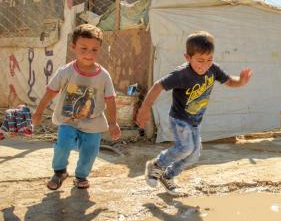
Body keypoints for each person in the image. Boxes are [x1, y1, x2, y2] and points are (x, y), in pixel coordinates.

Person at [136, 31, 252, 196]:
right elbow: (157, 86)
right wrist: (145, 109)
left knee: (193, 156)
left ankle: (168, 176)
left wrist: (240, 81)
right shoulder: (181, 74)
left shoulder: (213, 70)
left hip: (195, 121)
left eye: (209, 59)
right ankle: (156, 165)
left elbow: (229, 82)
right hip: (180, 119)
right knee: (185, 148)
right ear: (187, 57)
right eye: (200, 60)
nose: (205, 65)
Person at [32, 24, 121, 190]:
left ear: (99, 49)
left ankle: (81, 176)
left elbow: (110, 99)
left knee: (90, 151)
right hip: (68, 120)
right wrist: (38, 112)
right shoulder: (66, 72)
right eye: (84, 48)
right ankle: (59, 172)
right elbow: (50, 92)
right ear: (73, 47)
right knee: (63, 144)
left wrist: (113, 122)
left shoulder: (103, 75)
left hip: (93, 122)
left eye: (94, 50)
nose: (89, 54)